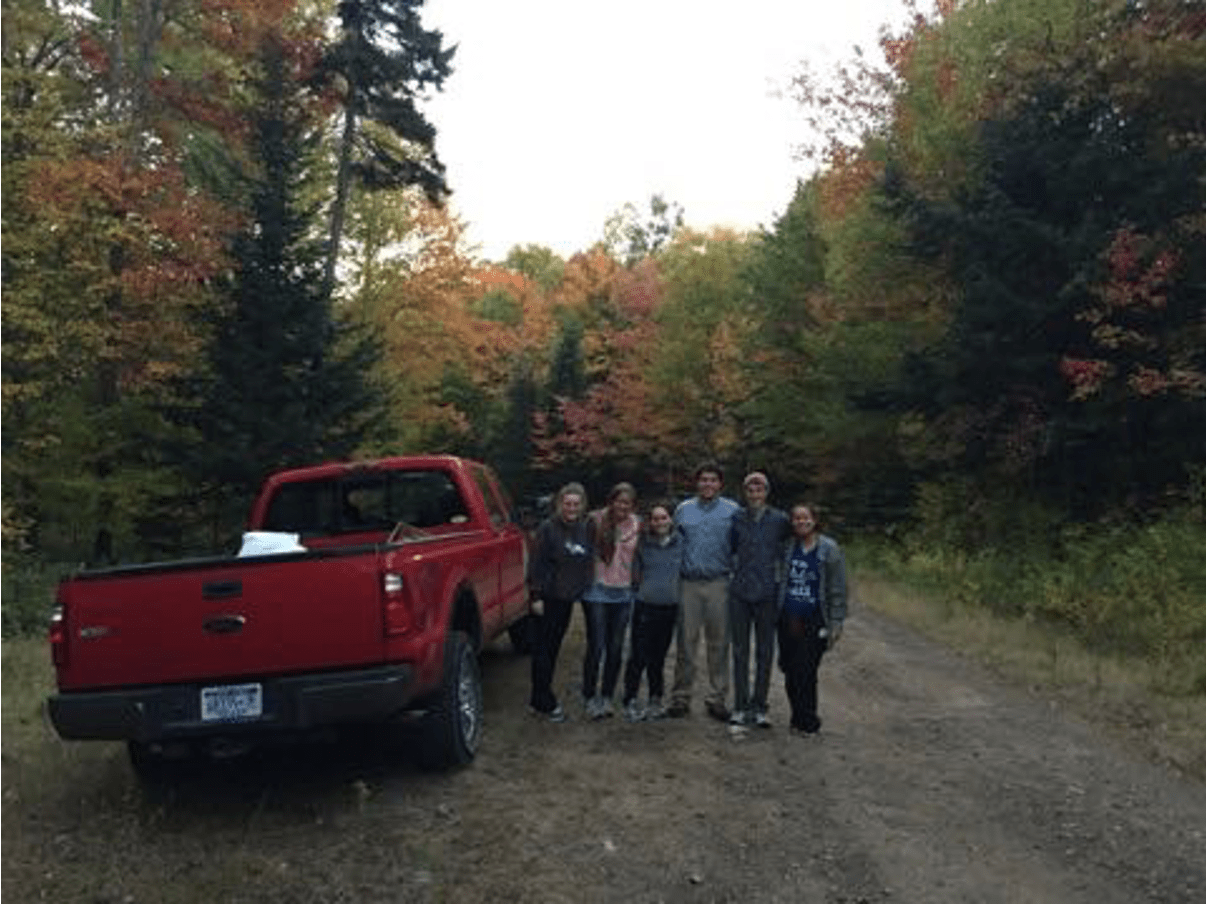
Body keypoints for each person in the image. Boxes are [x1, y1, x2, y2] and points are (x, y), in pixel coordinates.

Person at [667, 462, 740, 721]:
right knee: (686, 643)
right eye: (703, 480)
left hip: (720, 583)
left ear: (720, 484)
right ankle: (680, 697)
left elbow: (741, 546)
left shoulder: (732, 511)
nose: (708, 484)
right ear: (696, 483)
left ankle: (717, 698)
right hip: (688, 583)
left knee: (719, 643)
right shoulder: (683, 510)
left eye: (713, 480)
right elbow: (671, 544)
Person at [728, 471, 791, 728]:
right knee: (740, 652)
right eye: (750, 490)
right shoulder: (737, 518)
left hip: (767, 593)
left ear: (766, 492)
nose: (755, 494)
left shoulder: (780, 520)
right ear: (745, 493)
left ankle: (760, 706)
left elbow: (788, 548)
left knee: (765, 652)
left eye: (759, 490)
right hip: (740, 592)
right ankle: (741, 706)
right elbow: (731, 548)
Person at [778, 502, 847, 735]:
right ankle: (796, 718)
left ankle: (808, 721)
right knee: (788, 668)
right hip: (788, 617)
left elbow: (838, 589)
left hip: (814, 618)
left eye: (806, 518)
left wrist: (837, 622)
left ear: (815, 520)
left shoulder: (829, 549)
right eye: (797, 518)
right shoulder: (787, 547)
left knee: (805, 670)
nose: (801, 522)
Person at [528, 482, 594, 722]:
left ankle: (539, 698)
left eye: (576, 504)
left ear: (582, 506)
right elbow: (536, 563)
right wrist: (535, 595)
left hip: (567, 597)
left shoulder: (584, 528)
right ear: (559, 504)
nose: (571, 508)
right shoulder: (547, 528)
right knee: (544, 651)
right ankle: (543, 700)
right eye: (567, 503)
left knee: (553, 649)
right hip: (549, 596)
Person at [581, 483, 641, 720]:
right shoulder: (595, 521)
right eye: (619, 501)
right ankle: (588, 694)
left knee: (616, 647)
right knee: (597, 646)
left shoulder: (638, 525)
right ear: (611, 501)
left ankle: (606, 695)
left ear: (632, 505)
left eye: (627, 502)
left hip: (624, 593)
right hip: (596, 591)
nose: (622, 506)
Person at [620, 501, 684, 721]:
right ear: (650, 522)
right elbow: (635, 573)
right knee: (638, 655)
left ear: (671, 519)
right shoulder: (643, 543)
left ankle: (655, 699)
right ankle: (630, 698)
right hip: (645, 606)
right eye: (655, 518)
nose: (660, 522)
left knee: (658, 656)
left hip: (670, 608)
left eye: (663, 517)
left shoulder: (681, 542)